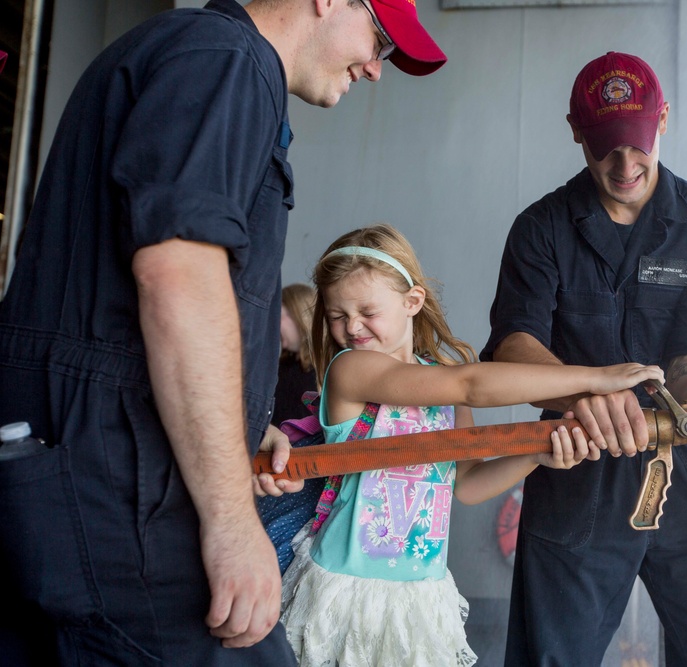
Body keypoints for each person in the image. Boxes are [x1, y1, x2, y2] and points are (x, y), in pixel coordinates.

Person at [0, 1, 447, 664]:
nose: (377, 69)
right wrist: (234, 522)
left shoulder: (188, 53)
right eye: (379, 37)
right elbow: (178, 274)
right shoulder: (227, 63)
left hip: (76, 464)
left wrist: (236, 423)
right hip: (119, 487)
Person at [481, 52, 687, 666]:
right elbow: (513, 347)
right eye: (605, 147)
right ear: (575, 130)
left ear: (662, 120)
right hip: (575, 461)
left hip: (678, 462)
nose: (624, 165)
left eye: (637, 145)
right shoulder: (541, 229)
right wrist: (589, 395)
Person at [277, 224, 665, 666]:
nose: (352, 327)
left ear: (412, 302)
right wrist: (597, 377)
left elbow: (468, 483)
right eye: (336, 315)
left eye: (367, 310)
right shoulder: (352, 370)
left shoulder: (440, 389)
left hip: (419, 594)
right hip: (347, 587)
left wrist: (535, 455)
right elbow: (470, 384)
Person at [273, 283, 319, 426]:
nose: (274, 324)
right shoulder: (279, 368)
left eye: (279, 316)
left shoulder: (325, 370)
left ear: (300, 316)